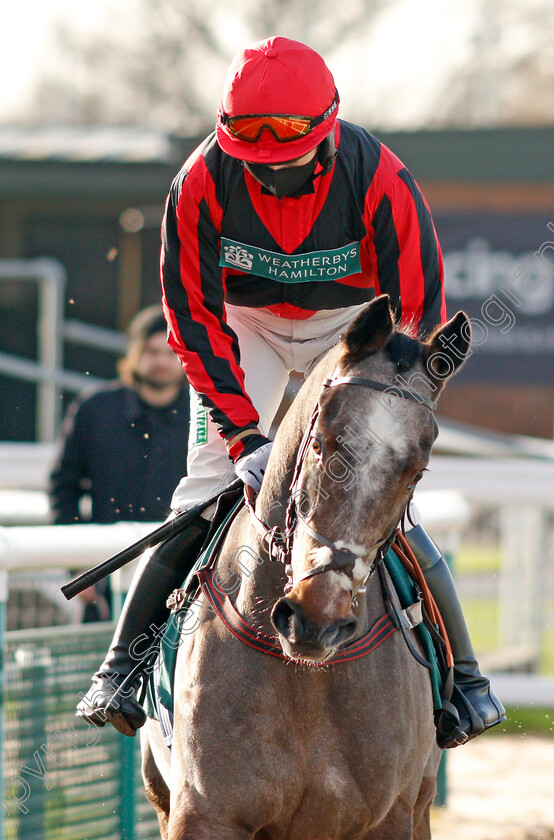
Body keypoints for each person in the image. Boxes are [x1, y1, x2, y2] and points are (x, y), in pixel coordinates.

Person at [78, 36, 505, 746]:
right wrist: (246, 437)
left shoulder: (381, 178)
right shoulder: (198, 182)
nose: (272, 175)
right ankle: (123, 666)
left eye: (289, 157)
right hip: (244, 326)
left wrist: (388, 402)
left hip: (353, 325)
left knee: (376, 489)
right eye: (255, 161)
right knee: (208, 484)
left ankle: (464, 679)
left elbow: (421, 309)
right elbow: (192, 318)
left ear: (328, 133)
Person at [50, 305, 190, 621]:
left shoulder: (203, 415)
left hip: (182, 577)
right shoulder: (94, 408)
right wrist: (77, 565)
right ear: (134, 354)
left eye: (170, 352)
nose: (161, 361)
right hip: (103, 576)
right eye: (152, 351)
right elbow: (63, 487)